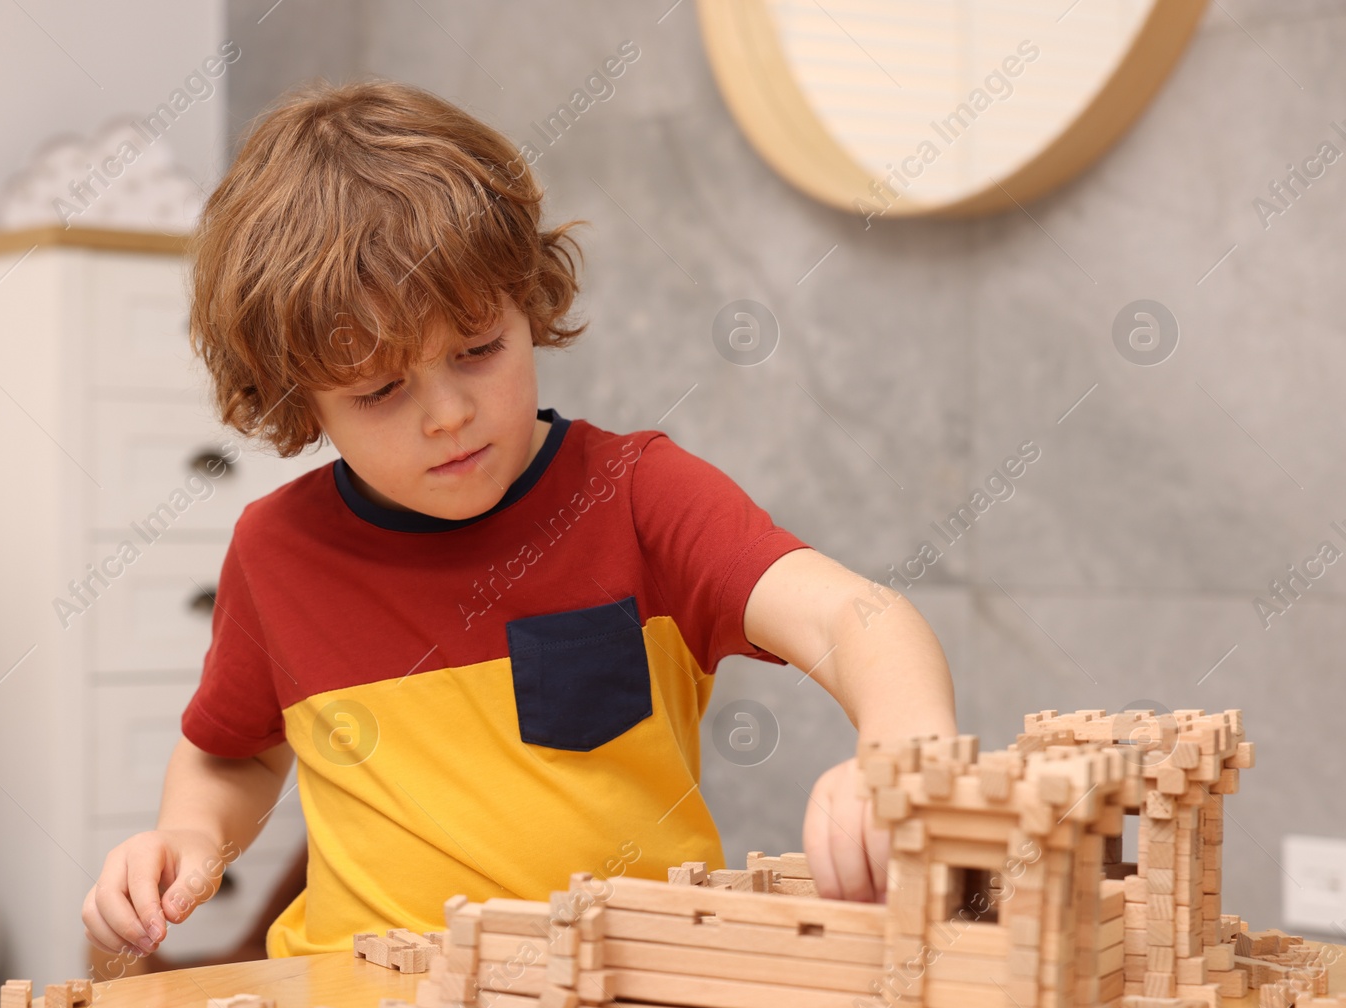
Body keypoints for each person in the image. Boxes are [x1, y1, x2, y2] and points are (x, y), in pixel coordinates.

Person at [81, 78, 956, 962]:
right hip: (358, 1004)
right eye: (382, 390)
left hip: (627, 991)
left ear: (526, 302)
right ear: (300, 400)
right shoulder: (275, 552)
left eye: (478, 350)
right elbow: (233, 752)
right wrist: (192, 837)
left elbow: (858, 616)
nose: (449, 414)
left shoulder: (637, 493)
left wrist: (899, 754)